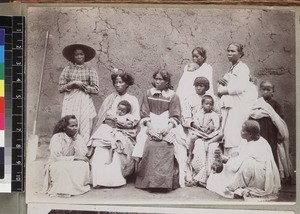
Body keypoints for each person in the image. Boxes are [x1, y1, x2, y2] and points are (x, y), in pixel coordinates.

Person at [135, 70, 188, 190]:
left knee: (168, 145)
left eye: (161, 79)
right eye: (156, 79)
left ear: (167, 81)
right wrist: (150, 126)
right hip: (151, 124)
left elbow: (175, 115)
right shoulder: (148, 93)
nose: (158, 81)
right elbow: (144, 112)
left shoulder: (173, 96)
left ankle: (165, 182)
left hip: (168, 125)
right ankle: (148, 181)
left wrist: (167, 128)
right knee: (147, 143)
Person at [89, 70, 140, 187]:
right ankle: (98, 179)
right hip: (107, 128)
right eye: (116, 82)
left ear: (127, 84)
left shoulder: (132, 99)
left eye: (120, 82)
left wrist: (126, 125)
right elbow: (102, 116)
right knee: (100, 146)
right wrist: (106, 121)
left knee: (117, 146)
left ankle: (113, 179)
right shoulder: (110, 98)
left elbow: (136, 119)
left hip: (125, 131)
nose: (117, 85)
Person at [206, 120, 281, 200]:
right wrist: (227, 158)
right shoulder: (246, 140)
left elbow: (236, 166)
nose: (240, 131)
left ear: (250, 134)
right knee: (219, 174)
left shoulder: (259, 145)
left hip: (258, 177)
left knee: (247, 162)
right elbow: (238, 154)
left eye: (243, 130)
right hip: (244, 170)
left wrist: (224, 160)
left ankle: (233, 187)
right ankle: (233, 184)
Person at [249, 81, 294, 183]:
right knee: (260, 152)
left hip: (272, 134)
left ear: (273, 92)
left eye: (268, 90)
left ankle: (274, 176)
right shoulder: (257, 103)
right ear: (260, 91)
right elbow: (252, 114)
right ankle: (261, 175)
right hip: (260, 133)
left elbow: (279, 120)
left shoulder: (276, 104)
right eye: (263, 89)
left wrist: (279, 133)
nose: (265, 92)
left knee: (272, 152)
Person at [217, 43, 257, 156]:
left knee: (235, 134)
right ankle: (228, 165)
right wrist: (220, 82)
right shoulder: (231, 69)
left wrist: (223, 91)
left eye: (233, 51)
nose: (229, 53)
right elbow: (221, 88)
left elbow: (240, 87)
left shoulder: (243, 68)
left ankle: (235, 163)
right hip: (230, 106)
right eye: (228, 51)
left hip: (239, 106)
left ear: (240, 54)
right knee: (227, 134)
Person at [59, 44, 99, 145]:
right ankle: (67, 148)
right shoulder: (67, 69)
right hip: (70, 100)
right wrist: (73, 83)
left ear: (85, 56)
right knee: (69, 122)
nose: (79, 57)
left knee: (84, 123)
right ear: (73, 56)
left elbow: (96, 89)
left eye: (81, 54)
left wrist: (84, 87)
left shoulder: (90, 70)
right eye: (76, 55)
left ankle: (82, 149)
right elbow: (61, 88)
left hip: (84, 100)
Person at [42, 115, 90, 197]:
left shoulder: (78, 137)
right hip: (56, 162)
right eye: (72, 126)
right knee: (62, 167)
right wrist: (74, 158)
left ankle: (76, 187)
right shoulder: (57, 137)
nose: (75, 128)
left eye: (76, 125)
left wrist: (75, 141)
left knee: (83, 164)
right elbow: (56, 157)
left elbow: (82, 155)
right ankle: (63, 190)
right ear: (64, 128)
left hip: (71, 163)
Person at [90, 100, 135, 165]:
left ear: (127, 112)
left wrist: (124, 123)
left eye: (123, 111)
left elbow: (131, 123)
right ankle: (92, 148)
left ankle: (110, 157)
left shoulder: (128, 116)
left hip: (119, 130)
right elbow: (106, 117)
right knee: (101, 130)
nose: (120, 112)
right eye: (119, 109)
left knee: (114, 140)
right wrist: (111, 118)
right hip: (110, 129)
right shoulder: (114, 114)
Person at [187, 95, 220, 165]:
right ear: (202, 104)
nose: (209, 106)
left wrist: (212, 127)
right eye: (206, 104)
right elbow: (196, 122)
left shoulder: (214, 115)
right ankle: (190, 154)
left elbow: (216, 125)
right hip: (200, 132)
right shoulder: (198, 113)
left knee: (218, 136)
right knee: (192, 138)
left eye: (211, 104)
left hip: (209, 134)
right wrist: (199, 128)